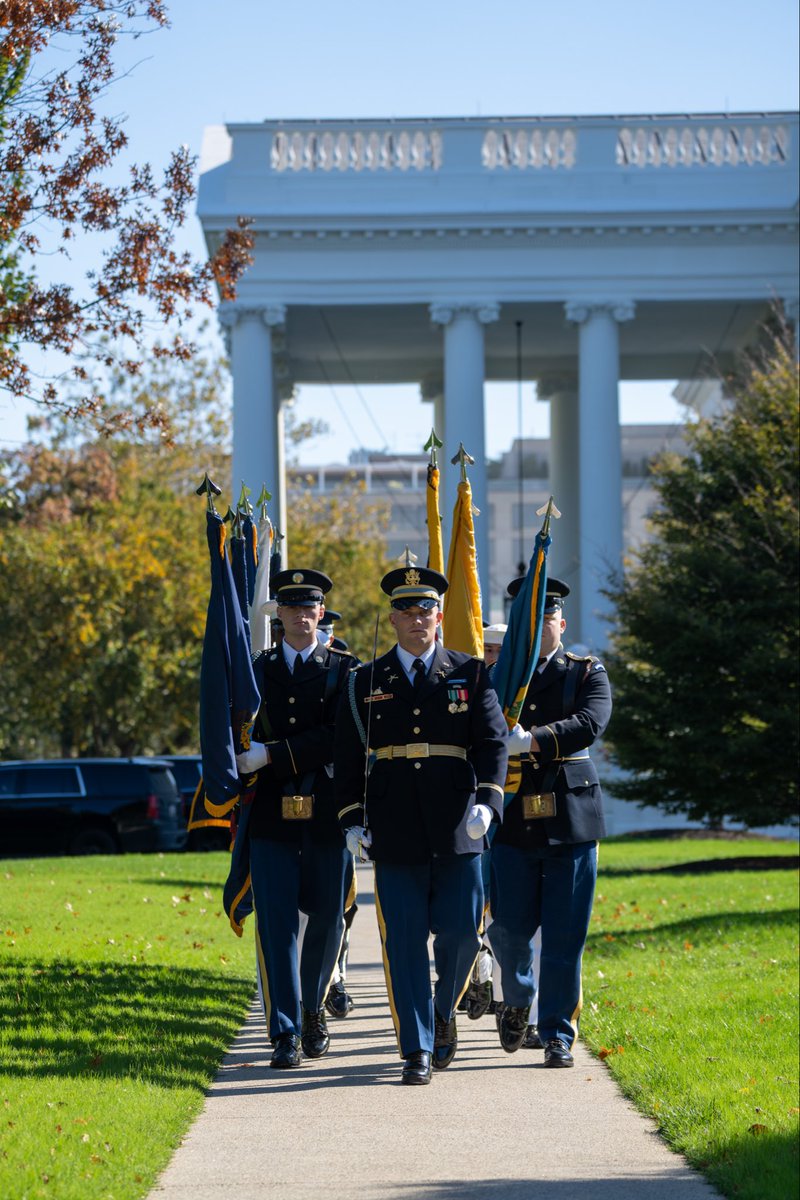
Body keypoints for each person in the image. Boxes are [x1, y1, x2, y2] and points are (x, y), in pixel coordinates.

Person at [334, 564, 509, 1085]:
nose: (418, 620)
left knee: (460, 933)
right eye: (408, 612)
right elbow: (346, 757)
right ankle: (415, 1048)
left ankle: (442, 1007)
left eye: (427, 610)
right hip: (394, 827)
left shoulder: (471, 672)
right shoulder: (363, 680)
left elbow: (493, 743)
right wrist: (351, 819)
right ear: (392, 619)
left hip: (459, 824)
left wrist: (489, 801)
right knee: (404, 941)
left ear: (439, 615)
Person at [235, 568, 358, 1069]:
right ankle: (284, 1030)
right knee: (278, 925)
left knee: (328, 920)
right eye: (292, 608)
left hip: (327, 813)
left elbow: (342, 738)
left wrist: (274, 755)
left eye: (310, 609)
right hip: (270, 816)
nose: (302, 617)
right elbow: (233, 727)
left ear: (321, 614)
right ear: (279, 615)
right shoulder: (256, 671)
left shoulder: (345, 671)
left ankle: (313, 1010)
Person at [487, 576, 612, 1067]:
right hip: (514, 816)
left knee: (564, 935)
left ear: (561, 622)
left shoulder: (585, 672)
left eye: (547, 619)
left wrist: (533, 739)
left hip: (570, 814)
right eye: (529, 619)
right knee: (511, 930)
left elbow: (590, 723)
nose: (539, 628)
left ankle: (557, 1032)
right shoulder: (498, 676)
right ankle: (517, 998)